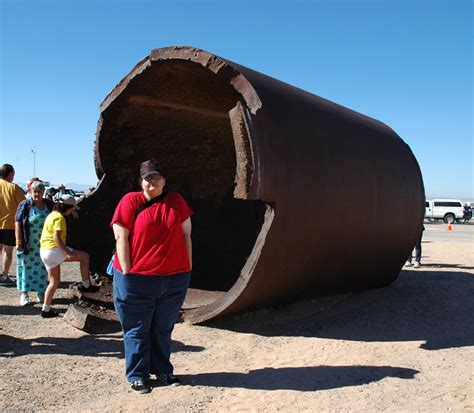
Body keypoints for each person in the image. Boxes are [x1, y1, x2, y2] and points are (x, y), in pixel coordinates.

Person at [111, 159, 193, 394]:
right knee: (137, 329)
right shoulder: (131, 201)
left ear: (164, 180)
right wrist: (126, 270)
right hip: (138, 279)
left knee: (163, 328)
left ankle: (164, 370)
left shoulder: (176, 201)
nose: (152, 181)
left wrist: (187, 267)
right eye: (147, 178)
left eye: (156, 177)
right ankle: (137, 375)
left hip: (173, 278)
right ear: (141, 182)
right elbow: (121, 237)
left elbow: (186, 234)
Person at [39, 194, 99, 318]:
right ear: (67, 207)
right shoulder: (60, 218)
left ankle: (46, 309)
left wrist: (72, 213)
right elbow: (56, 238)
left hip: (44, 251)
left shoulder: (52, 215)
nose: (72, 210)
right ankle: (86, 285)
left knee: (54, 282)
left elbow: (53, 233)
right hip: (54, 250)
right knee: (85, 257)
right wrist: (67, 252)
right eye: (72, 208)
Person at [15, 180, 54, 305]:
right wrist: (19, 241)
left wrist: (73, 209)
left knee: (42, 268)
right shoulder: (25, 205)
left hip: (43, 244)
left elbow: (61, 210)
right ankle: (24, 294)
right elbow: (18, 223)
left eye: (39, 192)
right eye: (34, 192)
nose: (36, 195)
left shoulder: (48, 204)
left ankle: (40, 292)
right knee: (25, 267)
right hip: (28, 243)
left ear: (43, 192)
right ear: (30, 191)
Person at [0, 164, 26, 284]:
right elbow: (23, 204)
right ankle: (5, 276)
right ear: (10, 174)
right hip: (9, 225)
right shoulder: (13, 188)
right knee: (8, 252)